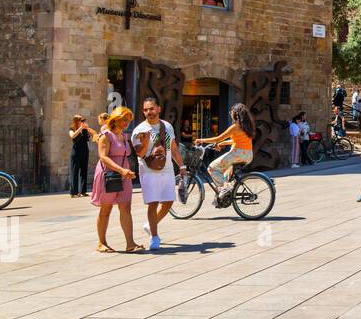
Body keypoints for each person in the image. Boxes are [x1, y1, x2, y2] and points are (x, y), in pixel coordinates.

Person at [131, 97, 184, 251]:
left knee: (168, 201)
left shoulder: (167, 127)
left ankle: (150, 224)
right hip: (148, 170)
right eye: (146, 110)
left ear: (159, 109)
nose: (149, 112)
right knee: (153, 203)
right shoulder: (139, 130)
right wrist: (146, 140)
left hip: (167, 169)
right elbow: (139, 154)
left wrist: (181, 165)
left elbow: (173, 148)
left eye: (152, 109)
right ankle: (154, 236)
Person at [91, 106, 140, 253]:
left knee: (126, 207)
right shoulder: (106, 135)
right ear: (116, 118)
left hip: (124, 175)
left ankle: (130, 243)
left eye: (129, 120)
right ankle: (102, 242)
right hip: (109, 175)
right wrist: (121, 170)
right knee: (106, 208)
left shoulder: (124, 136)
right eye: (124, 119)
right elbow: (103, 157)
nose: (127, 123)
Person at [196, 103, 255, 206]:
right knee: (225, 173)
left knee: (212, 168)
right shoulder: (246, 126)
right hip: (248, 155)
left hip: (238, 154)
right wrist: (223, 143)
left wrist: (201, 140)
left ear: (235, 114)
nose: (229, 113)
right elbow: (237, 141)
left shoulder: (235, 127)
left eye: (231, 111)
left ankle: (226, 188)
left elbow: (218, 138)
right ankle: (224, 196)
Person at [68, 114, 95, 198]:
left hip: (84, 151)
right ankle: (74, 192)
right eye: (81, 120)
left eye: (83, 121)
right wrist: (80, 128)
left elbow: (93, 135)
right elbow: (72, 136)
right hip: (76, 153)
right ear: (76, 121)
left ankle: (83, 191)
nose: (83, 122)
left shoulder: (84, 130)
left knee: (84, 171)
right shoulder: (72, 129)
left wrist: (87, 129)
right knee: (75, 172)